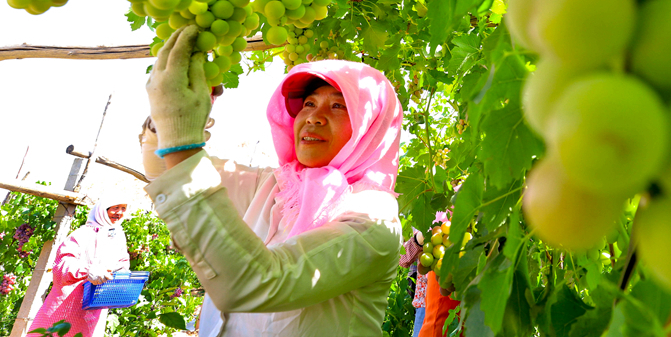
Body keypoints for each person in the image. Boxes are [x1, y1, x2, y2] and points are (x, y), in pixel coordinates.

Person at [140, 25, 403, 337]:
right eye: (308, 103)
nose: (313, 116)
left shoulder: (373, 221)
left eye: (338, 106)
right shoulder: (275, 185)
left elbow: (260, 282)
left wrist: (181, 139)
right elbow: (165, 169)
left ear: (371, 127)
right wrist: (164, 120)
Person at [28, 197, 131, 337]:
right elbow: (62, 266)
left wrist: (122, 275)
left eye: (123, 208)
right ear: (102, 210)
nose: (119, 212)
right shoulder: (83, 234)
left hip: (94, 309)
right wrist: (88, 271)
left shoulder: (118, 237)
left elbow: (122, 262)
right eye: (115, 207)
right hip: (65, 305)